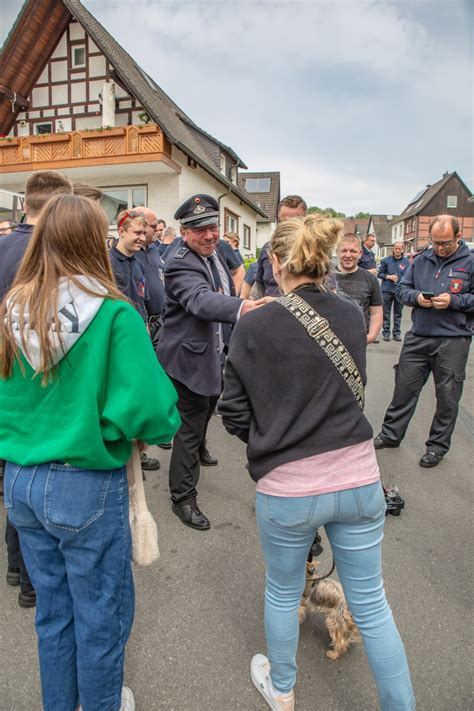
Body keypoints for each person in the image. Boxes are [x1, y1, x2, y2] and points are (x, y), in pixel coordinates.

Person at [219, 214, 415, 711]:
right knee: (372, 602)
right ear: (324, 260)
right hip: (357, 477)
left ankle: (282, 689)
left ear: (275, 262)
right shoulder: (350, 313)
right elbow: (353, 387)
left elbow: (234, 411)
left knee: (284, 593)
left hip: (288, 488)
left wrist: (271, 438)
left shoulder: (255, 323)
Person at [0, 193, 180, 711]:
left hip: (20, 480)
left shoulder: (13, 308)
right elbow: (153, 411)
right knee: (101, 617)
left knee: (53, 612)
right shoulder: (113, 314)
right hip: (83, 483)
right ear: (93, 242)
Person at [156, 193, 268, 530]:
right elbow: (200, 301)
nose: (209, 235)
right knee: (188, 430)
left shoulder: (215, 251)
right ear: (184, 231)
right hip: (188, 360)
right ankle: (183, 498)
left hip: (212, 353)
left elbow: (228, 283)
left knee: (206, 411)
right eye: (199, 229)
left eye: (213, 227)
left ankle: (201, 447)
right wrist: (243, 308)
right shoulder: (178, 261)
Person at [0, 169, 73, 609]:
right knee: (34, 465)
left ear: (26, 202)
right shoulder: (54, 250)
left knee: (14, 468)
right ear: (58, 207)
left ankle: (14, 564)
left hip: (5, 372)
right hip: (45, 378)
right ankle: (32, 582)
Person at [374, 215, 473, 468]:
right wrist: (417, 297)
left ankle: (436, 447)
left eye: (445, 243)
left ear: (458, 237)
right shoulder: (420, 260)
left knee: (448, 396)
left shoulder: (470, 262)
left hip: (453, 339)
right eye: (435, 242)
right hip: (419, 336)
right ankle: (391, 434)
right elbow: (401, 290)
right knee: (404, 388)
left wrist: (454, 301)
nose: (439, 248)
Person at [254, 195, 307, 296]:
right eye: (284, 222)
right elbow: (259, 286)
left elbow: (326, 292)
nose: (289, 227)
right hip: (270, 309)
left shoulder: (315, 250)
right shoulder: (268, 248)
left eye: (295, 221)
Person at [335, 233, 383, 343]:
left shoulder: (370, 279)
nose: (348, 255)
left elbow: (376, 313)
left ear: (360, 253)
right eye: (344, 251)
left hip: (358, 340)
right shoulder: (324, 277)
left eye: (353, 251)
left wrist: (370, 337)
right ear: (337, 252)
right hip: (328, 341)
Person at [134, 206, 166, 348]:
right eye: (153, 226)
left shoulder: (154, 249)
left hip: (159, 323)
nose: (157, 229)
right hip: (141, 325)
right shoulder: (130, 252)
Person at [109, 209, 148, 322]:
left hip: (138, 328)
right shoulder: (107, 263)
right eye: (137, 233)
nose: (143, 238)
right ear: (121, 232)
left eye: (144, 233)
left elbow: (142, 302)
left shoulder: (139, 264)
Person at [378, 242, 410, 341]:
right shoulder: (385, 261)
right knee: (386, 313)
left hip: (399, 291)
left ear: (402, 250)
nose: (397, 250)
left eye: (399, 249)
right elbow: (379, 274)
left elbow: (408, 276)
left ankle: (396, 333)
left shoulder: (406, 262)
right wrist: (389, 276)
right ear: (393, 249)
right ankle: (386, 333)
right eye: (396, 248)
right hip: (386, 290)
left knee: (398, 313)